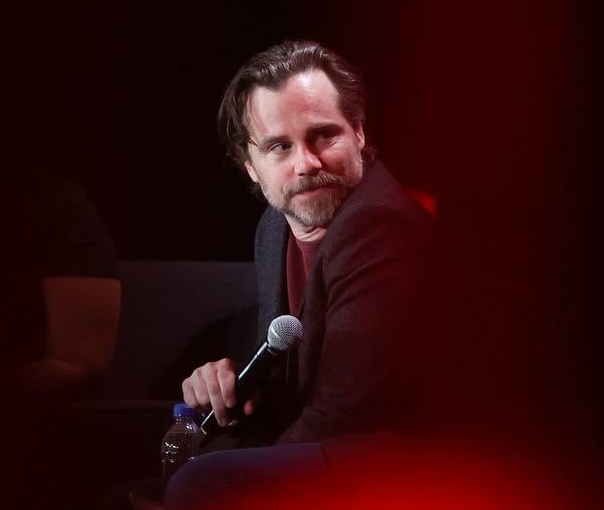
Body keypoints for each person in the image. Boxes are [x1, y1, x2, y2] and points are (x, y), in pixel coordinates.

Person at [130, 40, 439, 509]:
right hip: (326, 447)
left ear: (358, 132)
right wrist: (233, 384)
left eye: (324, 135)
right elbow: (295, 385)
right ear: (251, 167)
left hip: (403, 465)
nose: (306, 163)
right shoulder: (274, 226)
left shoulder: (380, 227)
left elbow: (343, 415)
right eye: (280, 146)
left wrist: (235, 473)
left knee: (198, 485)